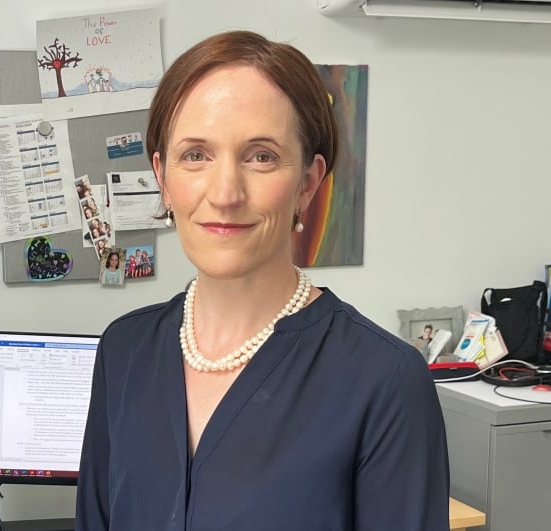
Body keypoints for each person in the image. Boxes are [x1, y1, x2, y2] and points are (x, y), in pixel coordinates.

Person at [76, 30, 449, 531]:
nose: (226, 192)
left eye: (261, 156)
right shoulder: (124, 351)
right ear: (163, 178)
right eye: (196, 155)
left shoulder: (383, 381)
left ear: (308, 182)